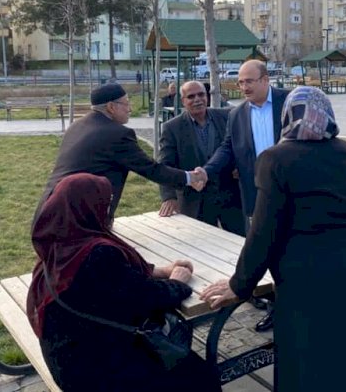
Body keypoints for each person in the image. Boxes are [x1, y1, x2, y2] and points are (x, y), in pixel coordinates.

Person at [200, 87, 346, 392]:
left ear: (288, 116)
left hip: (307, 278)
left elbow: (263, 233)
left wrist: (239, 285)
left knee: (312, 360)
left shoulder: (276, 159)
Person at [27, 173, 221, 392]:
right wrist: (177, 281)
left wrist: (161, 270)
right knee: (201, 377)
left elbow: (114, 281)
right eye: (106, 203)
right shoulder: (97, 254)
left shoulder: (59, 242)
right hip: (93, 372)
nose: (109, 210)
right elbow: (147, 298)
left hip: (66, 356)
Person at [203, 59, 290, 332]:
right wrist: (206, 171)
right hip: (258, 196)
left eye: (249, 81)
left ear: (265, 80)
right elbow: (227, 148)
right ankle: (275, 308)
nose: (243, 87)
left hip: (293, 194)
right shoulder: (236, 115)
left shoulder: (289, 101)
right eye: (240, 82)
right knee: (268, 252)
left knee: (291, 253)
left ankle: (295, 307)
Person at [37, 83, 206, 221]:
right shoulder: (116, 134)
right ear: (111, 107)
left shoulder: (78, 125)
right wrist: (191, 177)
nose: (129, 108)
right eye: (126, 103)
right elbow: (151, 169)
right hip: (76, 219)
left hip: (49, 210)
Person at [158, 81, 244, 236]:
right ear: (183, 101)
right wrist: (168, 197)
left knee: (242, 244)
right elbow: (165, 165)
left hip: (230, 196)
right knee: (201, 247)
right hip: (196, 200)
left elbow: (240, 146)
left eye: (201, 94)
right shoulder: (172, 128)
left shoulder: (226, 117)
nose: (197, 99)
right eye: (191, 96)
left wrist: (240, 166)